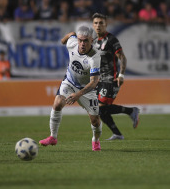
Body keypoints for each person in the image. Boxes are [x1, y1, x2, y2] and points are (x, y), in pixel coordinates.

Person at [39, 25, 102, 151]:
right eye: (80, 40)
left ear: (92, 41)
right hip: (69, 82)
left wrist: (78, 95)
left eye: (86, 41)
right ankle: (53, 137)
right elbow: (70, 35)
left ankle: (95, 140)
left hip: (87, 88)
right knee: (57, 104)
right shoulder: (72, 43)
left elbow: (94, 82)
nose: (82, 44)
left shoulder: (94, 57)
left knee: (95, 120)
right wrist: (63, 40)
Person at [92, 13, 140, 141]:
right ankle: (118, 134)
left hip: (111, 78)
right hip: (100, 80)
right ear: (93, 25)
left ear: (106, 25)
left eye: (101, 23)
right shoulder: (95, 42)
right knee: (99, 110)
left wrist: (121, 75)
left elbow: (122, 57)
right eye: (96, 23)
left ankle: (131, 111)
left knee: (100, 108)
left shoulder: (111, 39)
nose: (98, 26)